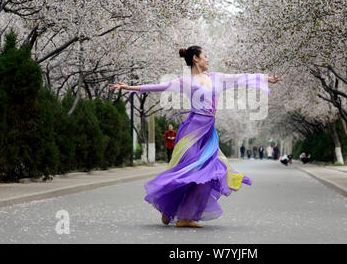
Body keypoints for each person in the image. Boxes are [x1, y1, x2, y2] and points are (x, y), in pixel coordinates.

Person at [109, 46, 281, 228]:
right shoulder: (186, 81)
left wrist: (265, 79)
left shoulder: (216, 78)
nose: (208, 59)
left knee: (206, 174)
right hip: (192, 130)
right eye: (205, 56)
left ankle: (184, 218)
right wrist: (128, 87)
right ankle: (168, 209)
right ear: (195, 58)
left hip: (209, 132)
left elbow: (240, 78)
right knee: (189, 171)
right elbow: (160, 87)